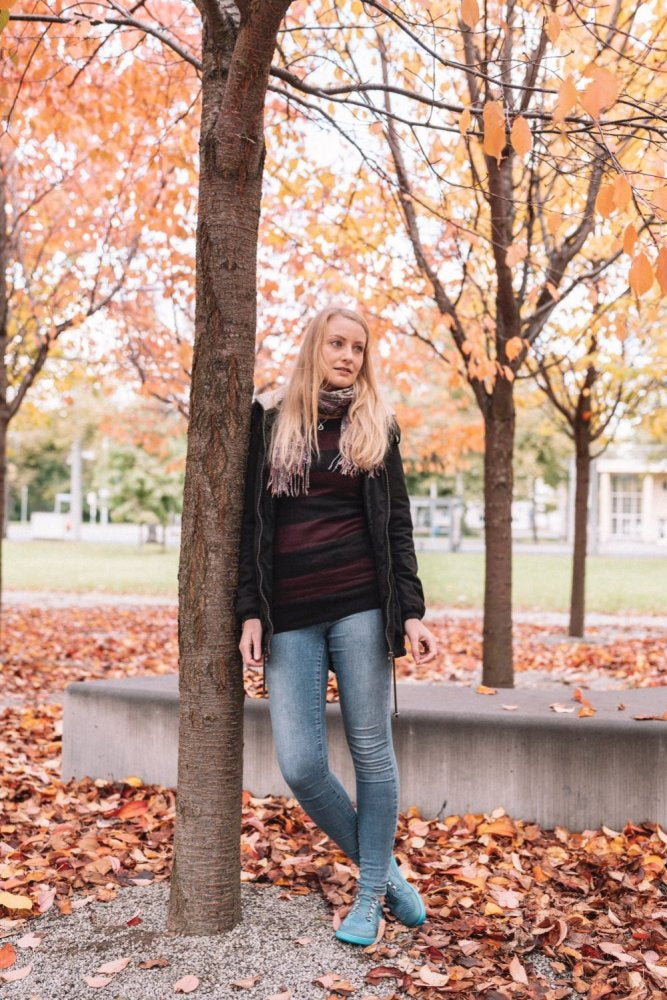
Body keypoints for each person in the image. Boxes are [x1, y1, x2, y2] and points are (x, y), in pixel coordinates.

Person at [236, 304, 438, 946]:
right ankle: (390, 876)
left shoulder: (376, 424)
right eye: (337, 343)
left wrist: (411, 612)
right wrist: (248, 611)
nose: (348, 355)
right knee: (299, 764)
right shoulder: (269, 422)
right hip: (290, 616)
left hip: (360, 606)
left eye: (358, 347)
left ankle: (370, 894)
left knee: (372, 751)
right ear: (313, 347)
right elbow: (250, 528)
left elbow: (397, 524)